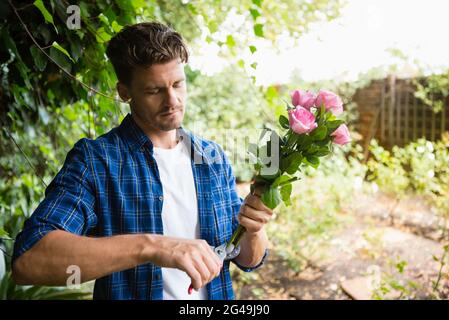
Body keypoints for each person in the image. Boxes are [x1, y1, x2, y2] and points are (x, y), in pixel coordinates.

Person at [11, 21, 271, 300]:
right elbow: (29, 260)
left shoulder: (211, 157)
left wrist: (254, 231)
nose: (172, 100)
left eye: (177, 84)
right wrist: (152, 246)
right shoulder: (97, 160)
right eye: (154, 90)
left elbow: (248, 259)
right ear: (125, 92)